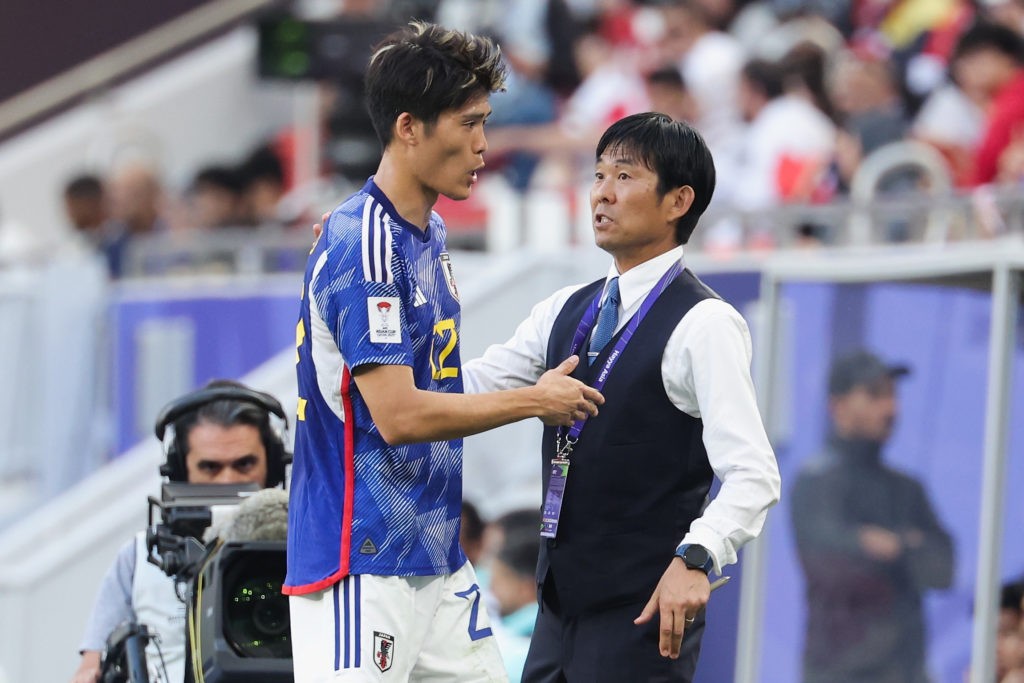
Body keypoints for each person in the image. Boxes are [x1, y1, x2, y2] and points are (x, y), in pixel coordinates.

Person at [285, 21, 603, 683]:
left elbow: (442, 381)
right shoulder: (364, 245)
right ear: (409, 127)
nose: (484, 143)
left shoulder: (424, 231)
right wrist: (534, 402)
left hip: (433, 559)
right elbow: (398, 416)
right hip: (360, 563)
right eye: (469, 123)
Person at [462, 112, 781, 682]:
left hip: (644, 610)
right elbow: (470, 386)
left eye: (625, 177)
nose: (602, 194)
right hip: (557, 606)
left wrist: (697, 557)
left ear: (678, 201)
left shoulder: (705, 322)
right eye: (599, 175)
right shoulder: (565, 307)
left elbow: (754, 472)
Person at [70, 379, 290, 683]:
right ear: (179, 469)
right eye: (210, 467)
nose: (228, 481)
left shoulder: (306, 550)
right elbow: (89, 670)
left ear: (275, 464)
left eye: (244, 464)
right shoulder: (139, 557)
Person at [790, 350, 955, 683]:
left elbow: (942, 569)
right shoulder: (816, 484)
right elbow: (834, 569)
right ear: (837, 406)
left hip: (907, 672)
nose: (891, 409)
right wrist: (907, 545)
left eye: (893, 395)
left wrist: (890, 546)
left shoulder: (907, 489)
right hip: (838, 674)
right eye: (875, 394)